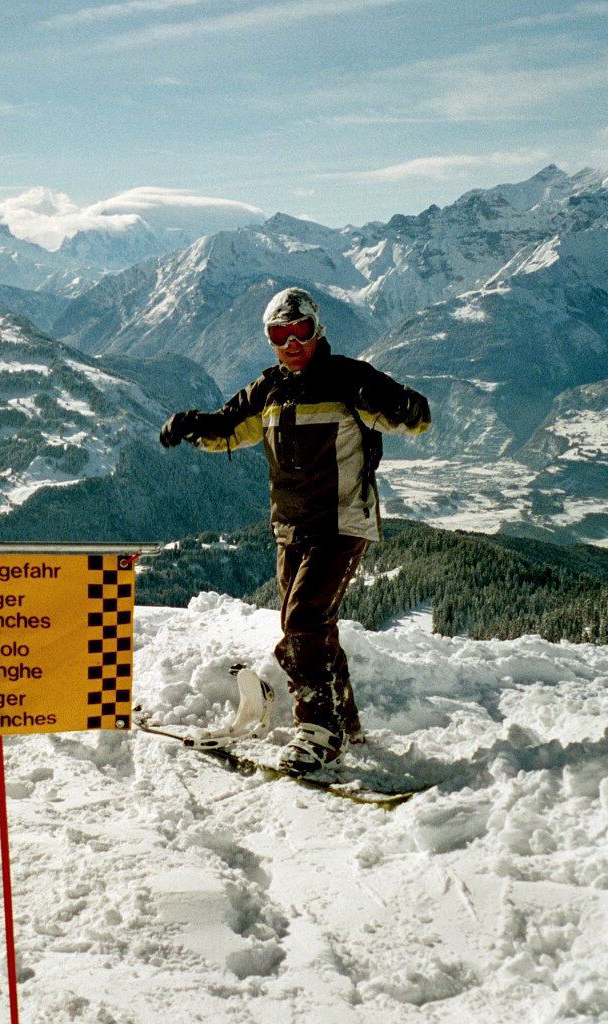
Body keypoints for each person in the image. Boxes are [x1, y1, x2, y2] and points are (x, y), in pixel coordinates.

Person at [158, 287, 430, 772]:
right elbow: (228, 427)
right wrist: (191, 425)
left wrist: (402, 405)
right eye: (278, 335)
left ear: (316, 329)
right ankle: (345, 726)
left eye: (299, 331)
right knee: (313, 627)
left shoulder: (348, 379)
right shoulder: (269, 389)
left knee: (302, 621)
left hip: (342, 522)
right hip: (291, 527)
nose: (290, 343)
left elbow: (415, 418)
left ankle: (319, 730)